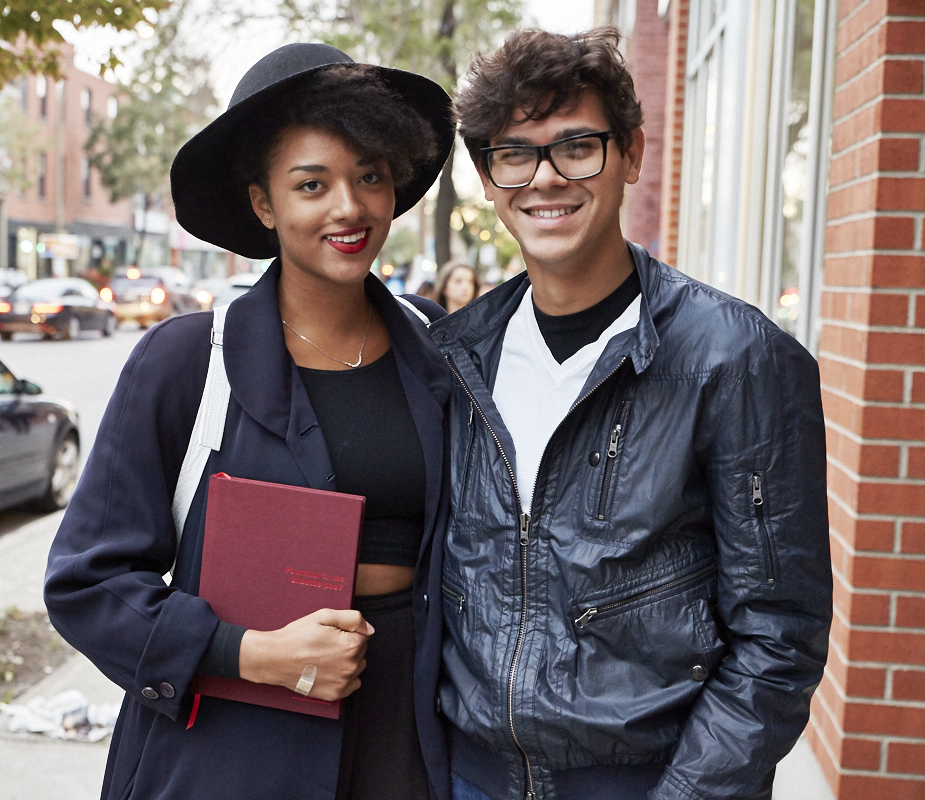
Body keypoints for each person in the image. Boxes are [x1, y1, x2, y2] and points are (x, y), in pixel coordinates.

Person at [44, 43, 456, 800]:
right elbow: (87, 584)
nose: (349, 206)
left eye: (370, 176)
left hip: (410, 732)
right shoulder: (185, 362)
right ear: (264, 205)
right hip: (234, 746)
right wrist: (252, 653)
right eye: (312, 183)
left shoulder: (437, 349)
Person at [430, 28, 830, 800]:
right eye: (515, 153)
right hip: (471, 778)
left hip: (647, 782)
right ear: (488, 178)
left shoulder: (736, 358)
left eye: (577, 146)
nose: (545, 178)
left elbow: (779, 636)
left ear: (633, 155)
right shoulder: (456, 356)